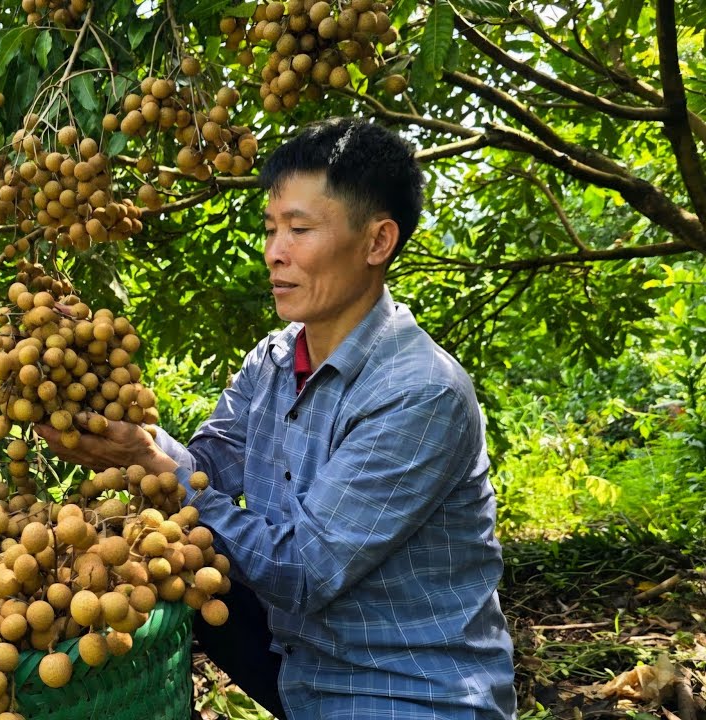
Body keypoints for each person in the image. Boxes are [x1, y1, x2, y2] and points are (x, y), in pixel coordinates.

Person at [36, 118, 516, 718]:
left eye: (300, 229)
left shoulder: (421, 393)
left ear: (377, 242)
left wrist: (148, 462)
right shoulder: (273, 360)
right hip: (300, 666)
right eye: (270, 229)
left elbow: (304, 573)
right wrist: (132, 438)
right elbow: (207, 467)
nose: (274, 252)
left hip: (404, 688)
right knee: (167, 562)